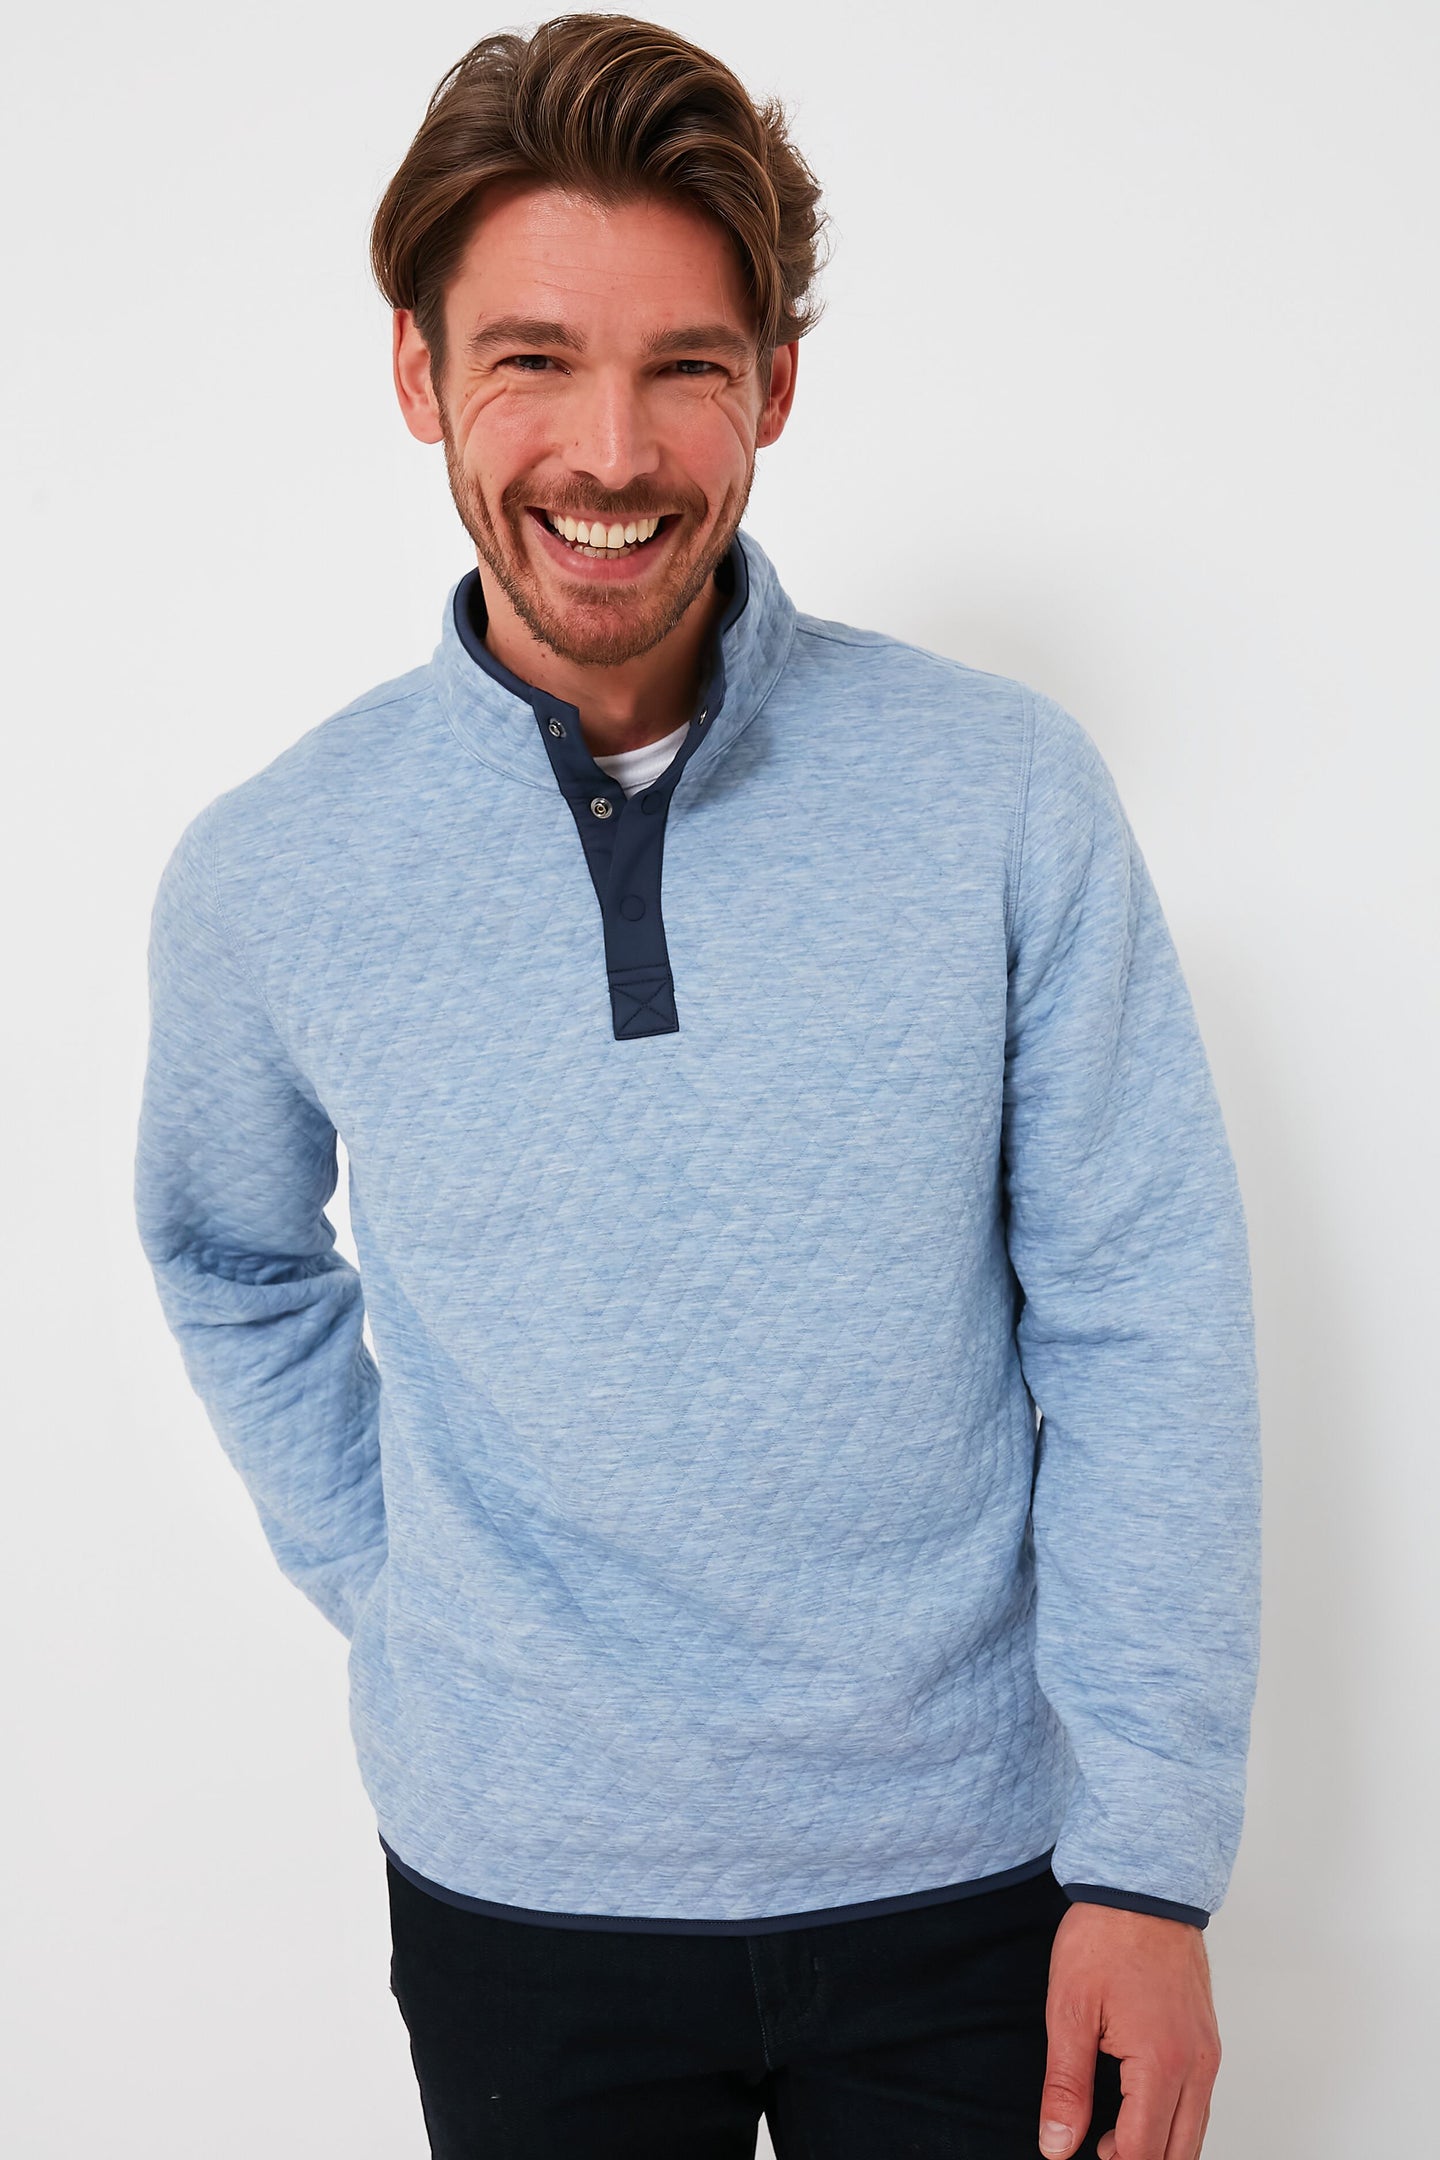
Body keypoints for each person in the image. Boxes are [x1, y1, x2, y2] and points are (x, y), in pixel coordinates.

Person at [133, 15, 1261, 2159]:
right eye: (533, 359)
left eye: (686, 365)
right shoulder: (275, 869)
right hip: (518, 1890)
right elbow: (226, 1252)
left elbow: (1147, 1311)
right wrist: (407, 1584)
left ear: (775, 387)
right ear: (416, 375)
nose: (612, 451)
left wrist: (1147, 1855)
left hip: (984, 1882)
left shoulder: (1001, 794)